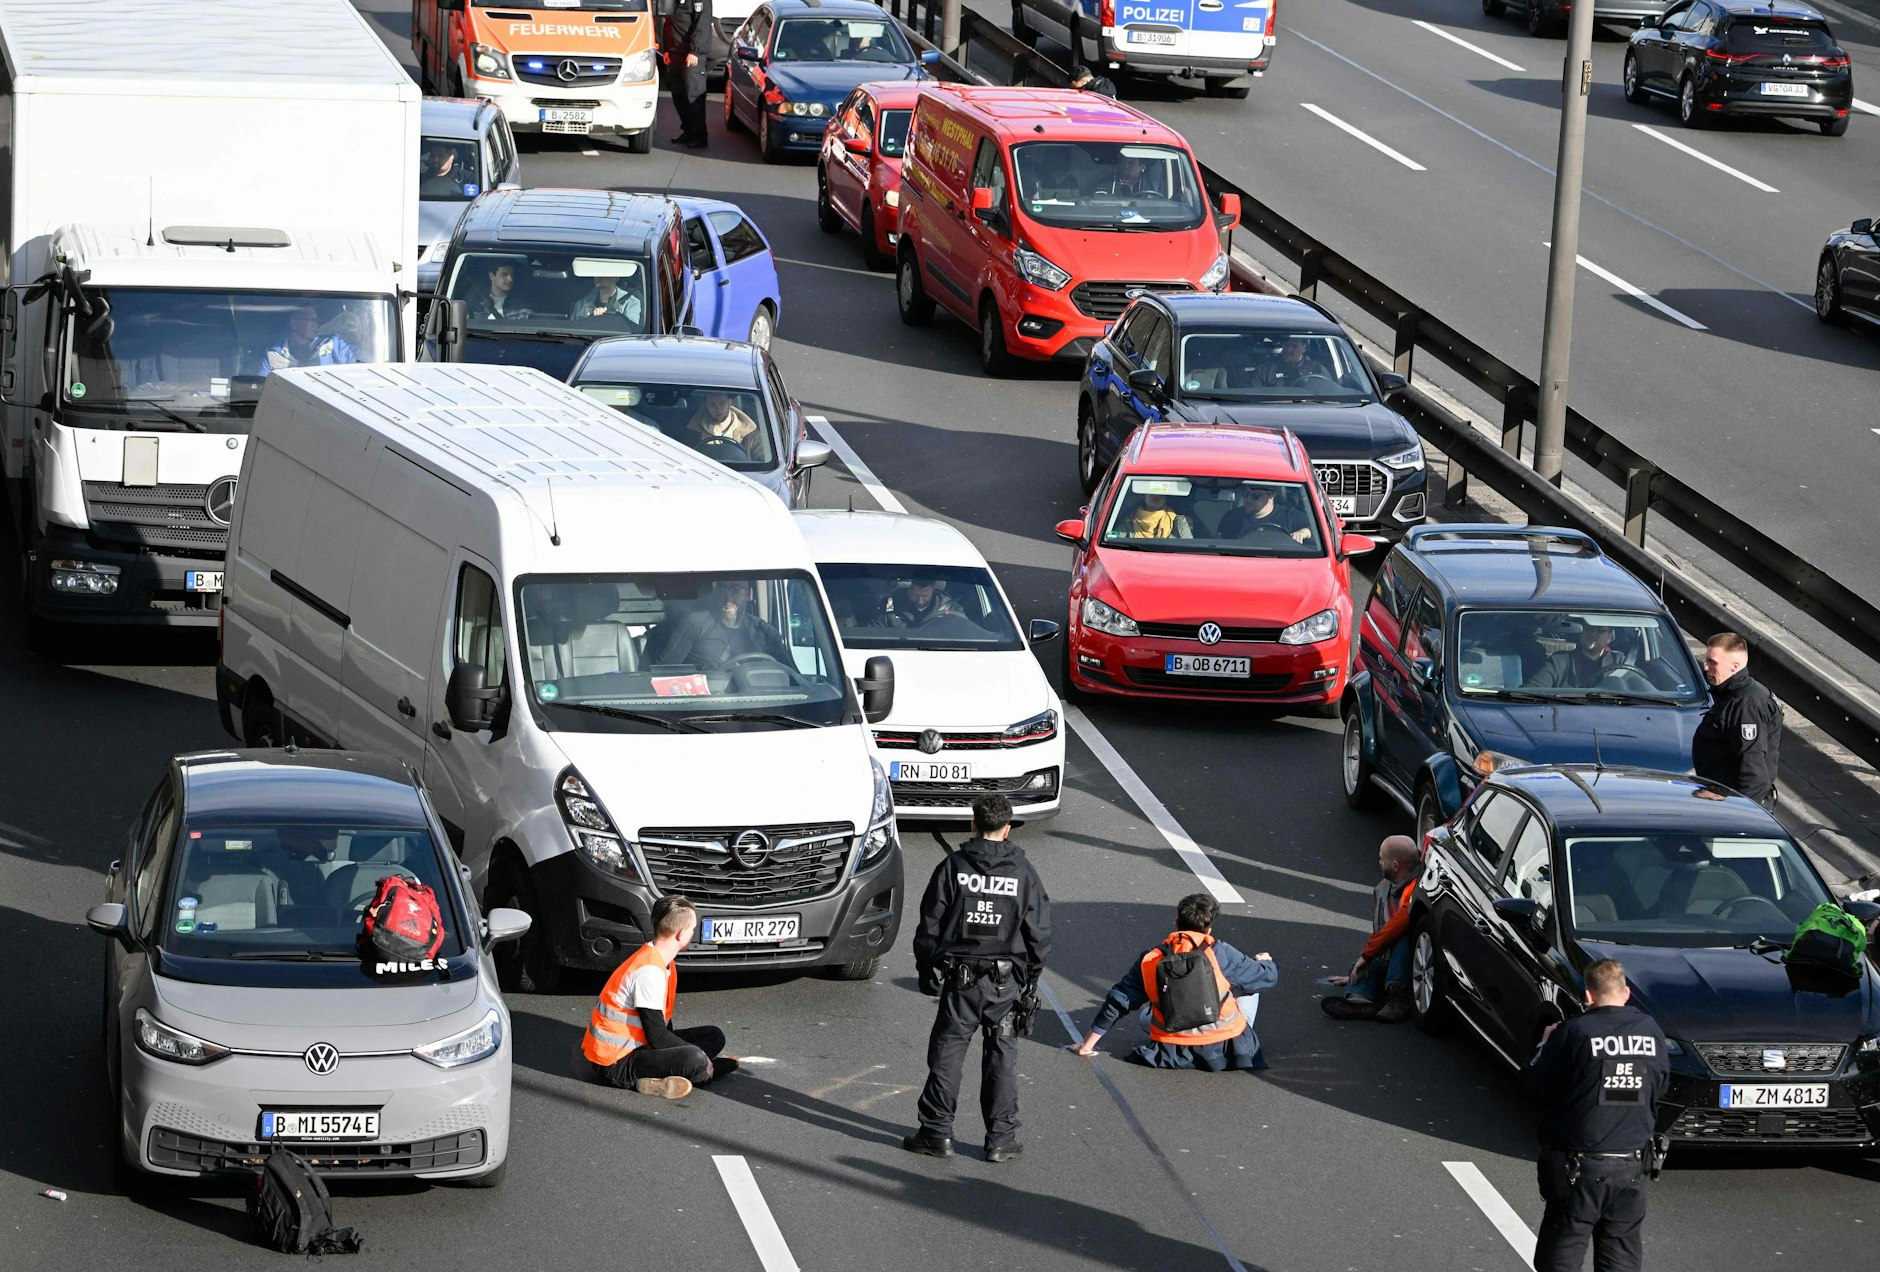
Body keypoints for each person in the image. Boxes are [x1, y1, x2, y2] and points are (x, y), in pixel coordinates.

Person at [904, 794, 1051, 1164]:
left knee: (948, 1056)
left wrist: (926, 967)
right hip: (1006, 984)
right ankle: (1001, 1140)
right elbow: (1039, 932)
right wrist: (1030, 980)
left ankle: (936, 1133)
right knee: (1002, 1058)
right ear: (1007, 827)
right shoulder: (1024, 873)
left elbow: (930, 924)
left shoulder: (953, 867)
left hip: (961, 983)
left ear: (973, 824)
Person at [1525, 958, 1668, 1272]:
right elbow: (1660, 1086)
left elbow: (1536, 1087)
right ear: (1626, 992)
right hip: (1631, 1168)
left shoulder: (1575, 1032)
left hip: (1580, 1170)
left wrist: (1544, 1045)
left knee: (1560, 1255)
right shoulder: (1651, 1031)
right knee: (1620, 1260)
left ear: (1588, 996)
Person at [1068, 892, 1276, 1070]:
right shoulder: (1220, 952)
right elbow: (1267, 978)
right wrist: (1264, 963)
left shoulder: (1152, 959)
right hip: (1227, 1046)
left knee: (1145, 1017)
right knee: (1249, 986)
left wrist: (1086, 1046)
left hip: (1173, 1047)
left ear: (1176, 922)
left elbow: (1118, 1001)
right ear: (1208, 929)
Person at [582, 894, 738, 1099]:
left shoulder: (661, 960)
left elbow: (664, 1025)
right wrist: (705, 1061)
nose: (693, 933)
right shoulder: (649, 972)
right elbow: (657, 1036)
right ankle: (687, 1074)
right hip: (616, 1063)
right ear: (681, 935)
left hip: (637, 1046)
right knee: (696, 1059)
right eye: (692, 929)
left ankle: (677, 1073)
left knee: (714, 1036)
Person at [1322, 836, 1421, 1023]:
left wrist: (1367, 955)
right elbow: (1380, 932)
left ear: (1395, 865)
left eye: (1382, 859)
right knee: (1361, 966)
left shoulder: (1417, 888)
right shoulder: (1382, 889)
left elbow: (1397, 925)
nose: (1379, 863)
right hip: (1388, 957)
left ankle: (1397, 996)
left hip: (1409, 960)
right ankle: (1360, 1001)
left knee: (1401, 938)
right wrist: (1364, 960)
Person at [1691, 631, 1783, 809]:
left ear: (1734, 666)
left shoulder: (1746, 704)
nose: (1706, 667)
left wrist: (1740, 812)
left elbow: (1753, 769)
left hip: (1731, 805)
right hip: (1722, 797)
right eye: (1707, 660)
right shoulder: (1732, 695)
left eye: (1712, 662)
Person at [651, 580, 790, 668]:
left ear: (748, 594)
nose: (728, 598)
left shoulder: (765, 632)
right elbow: (662, 673)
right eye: (722, 589)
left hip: (754, 708)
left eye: (735, 590)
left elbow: (791, 678)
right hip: (704, 707)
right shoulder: (695, 624)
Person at [663, 0, 715, 149]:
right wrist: (667, 48)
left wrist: (695, 51)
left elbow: (702, 24)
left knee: (694, 94)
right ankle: (688, 130)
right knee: (678, 93)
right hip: (675, 52)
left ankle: (699, 135)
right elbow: (668, 21)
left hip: (691, 55)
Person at [255, 305, 359, 375]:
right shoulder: (272, 354)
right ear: (294, 323)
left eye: (316, 320)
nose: (316, 324)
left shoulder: (332, 344)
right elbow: (261, 387)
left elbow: (359, 364)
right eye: (311, 320)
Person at [1524, 623, 1625, 690]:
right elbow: (1531, 691)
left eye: (1601, 630)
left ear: (1609, 638)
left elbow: (1637, 690)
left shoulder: (1620, 663)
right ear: (1582, 632)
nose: (1593, 633)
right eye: (1589, 628)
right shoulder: (1559, 661)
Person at [1218, 482, 1312, 543]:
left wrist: (1304, 532)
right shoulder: (1232, 517)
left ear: (1271, 496)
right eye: (1245, 494)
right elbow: (1219, 542)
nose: (1248, 499)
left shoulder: (1290, 516)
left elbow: (1318, 531)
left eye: (1255, 495)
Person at [875, 576, 962, 628]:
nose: (920, 601)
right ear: (908, 589)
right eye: (914, 595)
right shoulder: (889, 605)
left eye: (924, 596)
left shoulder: (952, 609)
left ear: (933, 589)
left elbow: (966, 632)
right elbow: (875, 632)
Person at [685, 390, 760, 447]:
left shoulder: (750, 434)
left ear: (730, 403)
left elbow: (760, 462)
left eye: (722, 403)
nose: (718, 408)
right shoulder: (693, 432)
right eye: (712, 404)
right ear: (706, 406)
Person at [465, 261, 529, 322]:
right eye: (504, 274)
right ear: (492, 276)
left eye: (512, 274)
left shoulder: (522, 303)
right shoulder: (475, 301)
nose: (510, 279)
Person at [567, 274, 642, 326]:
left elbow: (632, 335)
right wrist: (590, 320)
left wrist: (606, 320)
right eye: (595, 272)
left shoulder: (631, 303)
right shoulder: (581, 304)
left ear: (615, 278)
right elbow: (572, 332)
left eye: (603, 273)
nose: (597, 276)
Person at [1118, 490, 1193, 539]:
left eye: (1161, 494)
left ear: (1166, 498)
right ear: (1144, 496)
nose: (1156, 496)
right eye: (1152, 492)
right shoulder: (1128, 519)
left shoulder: (1179, 521)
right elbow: (1115, 541)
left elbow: (1188, 550)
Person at [1259, 335, 1330, 387]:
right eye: (1286, 345)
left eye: (1294, 346)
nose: (1289, 350)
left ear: (1304, 348)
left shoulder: (1318, 370)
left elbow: (1330, 392)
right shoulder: (1266, 371)